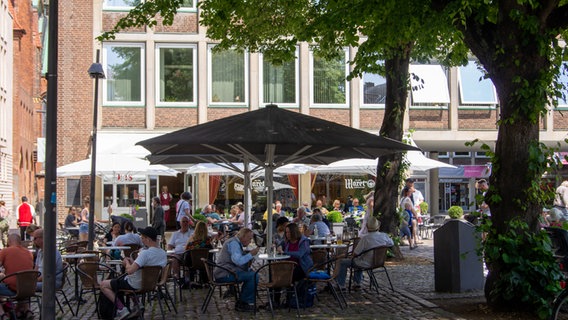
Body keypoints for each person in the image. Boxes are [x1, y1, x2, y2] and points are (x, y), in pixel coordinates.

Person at [100, 227, 167, 320]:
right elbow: (141, 265)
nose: (141, 240)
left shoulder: (145, 253)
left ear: (148, 239)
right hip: (151, 283)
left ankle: (122, 309)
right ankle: (137, 305)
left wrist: (126, 262)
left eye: (142, 238)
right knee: (124, 279)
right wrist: (132, 261)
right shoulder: (163, 253)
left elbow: (129, 271)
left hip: (135, 284)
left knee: (103, 284)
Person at [336, 216, 393, 290]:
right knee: (359, 258)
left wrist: (348, 255)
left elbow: (355, 253)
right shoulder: (384, 236)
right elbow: (391, 243)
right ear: (378, 227)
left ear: (367, 227)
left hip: (366, 263)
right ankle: (357, 282)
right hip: (379, 262)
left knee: (343, 262)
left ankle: (341, 284)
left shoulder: (365, 238)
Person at [214, 228, 260, 312]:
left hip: (227, 272)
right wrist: (251, 254)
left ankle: (243, 301)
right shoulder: (234, 243)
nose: (250, 241)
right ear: (243, 236)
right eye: (249, 238)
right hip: (224, 274)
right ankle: (245, 302)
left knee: (252, 273)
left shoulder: (235, 242)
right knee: (253, 276)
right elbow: (238, 261)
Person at [0, 234, 34, 318]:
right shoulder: (29, 253)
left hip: (14, 289)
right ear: (20, 242)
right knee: (19, 283)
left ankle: (2, 314)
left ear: (8, 241)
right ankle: (25, 310)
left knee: (8, 284)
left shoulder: (5, 251)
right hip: (29, 289)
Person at [168, 215, 194, 282]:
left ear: (189, 223)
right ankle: (177, 277)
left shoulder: (192, 233)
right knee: (174, 258)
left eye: (186, 222)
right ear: (180, 223)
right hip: (178, 254)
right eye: (183, 222)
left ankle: (187, 278)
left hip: (189, 253)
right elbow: (170, 246)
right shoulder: (175, 234)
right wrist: (170, 252)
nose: (185, 223)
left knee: (187, 257)